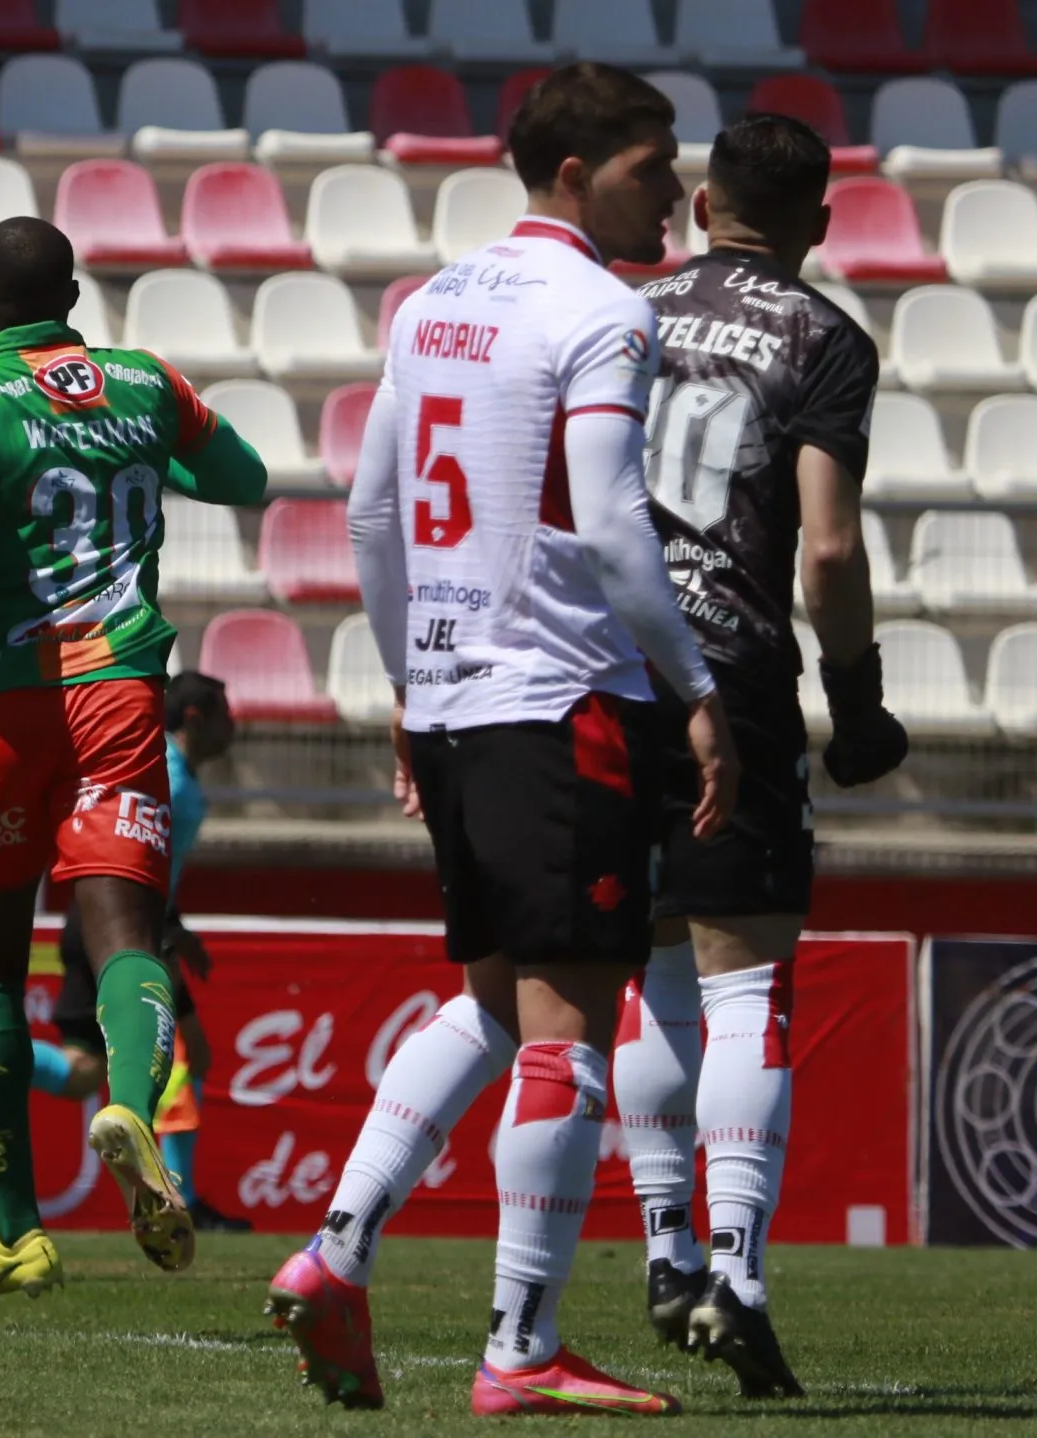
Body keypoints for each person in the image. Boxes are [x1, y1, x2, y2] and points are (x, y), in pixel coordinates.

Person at [266, 63, 738, 1416]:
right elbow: (607, 517)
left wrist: (414, 683)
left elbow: (370, 510)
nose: (677, 198)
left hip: (463, 700)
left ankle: (338, 1249)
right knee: (565, 1031)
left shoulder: (435, 302)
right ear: (581, 175)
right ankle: (519, 1344)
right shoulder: (603, 310)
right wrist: (695, 686)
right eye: (656, 169)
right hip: (568, 699)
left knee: (488, 999)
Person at [0, 215, 270, 1299]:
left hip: (4, 706)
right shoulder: (146, 382)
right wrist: (142, 460)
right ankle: (131, 1111)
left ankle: (17, 1230)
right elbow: (243, 480)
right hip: (116, 693)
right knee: (120, 934)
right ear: (72, 297)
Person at [614, 112, 906, 1400]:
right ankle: (735, 1271)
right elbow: (829, 550)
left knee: (653, 970)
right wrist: (860, 702)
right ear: (820, 224)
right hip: (731, 673)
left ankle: (666, 1253)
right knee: (746, 985)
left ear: (699, 200)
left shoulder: (622, 304)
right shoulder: (826, 336)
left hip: (609, 667)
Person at [0, 671, 250, 1234]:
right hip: (125, 923)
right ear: (197, 718)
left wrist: (179, 929)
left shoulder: (176, 778)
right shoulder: (169, 782)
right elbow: (138, 867)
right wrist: (172, 937)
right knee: (189, 1054)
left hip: (96, 918)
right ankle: (183, 1196)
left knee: (83, 1072)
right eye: (226, 713)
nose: (236, 726)